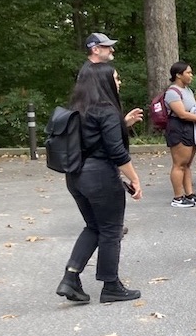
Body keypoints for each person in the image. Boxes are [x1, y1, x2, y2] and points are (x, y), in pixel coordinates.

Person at [56, 63, 143, 303]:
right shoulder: (106, 110)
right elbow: (116, 151)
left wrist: (122, 124)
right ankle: (111, 285)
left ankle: (70, 278)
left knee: (93, 226)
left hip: (75, 177)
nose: (119, 82)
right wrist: (134, 178)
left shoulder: (78, 108)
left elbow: (93, 138)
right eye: (116, 78)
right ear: (104, 82)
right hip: (100, 177)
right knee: (111, 230)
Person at [164, 61, 196, 208]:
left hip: (191, 128)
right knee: (179, 164)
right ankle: (177, 197)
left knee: (187, 164)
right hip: (178, 128)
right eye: (188, 73)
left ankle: (189, 194)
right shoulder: (172, 92)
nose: (191, 75)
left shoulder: (187, 90)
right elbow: (182, 114)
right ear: (178, 75)